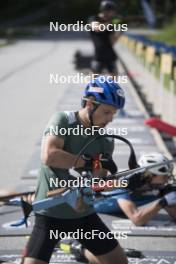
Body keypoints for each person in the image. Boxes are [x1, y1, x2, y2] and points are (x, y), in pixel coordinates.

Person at [22, 76, 128, 264]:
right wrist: (89, 161)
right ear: (89, 103)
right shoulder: (63, 120)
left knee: (119, 262)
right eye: (106, 112)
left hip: (84, 216)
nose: (110, 119)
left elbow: (97, 184)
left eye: (114, 114)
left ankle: (79, 250)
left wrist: (128, 184)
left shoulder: (105, 141)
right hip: (50, 215)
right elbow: (50, 155)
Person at [95, 153, 176, 225]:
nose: (167, 179)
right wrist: (162, 202)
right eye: (165, 176)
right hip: (87, 209)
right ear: (150, 176)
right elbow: (138, 220)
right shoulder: (124, 186)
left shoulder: (156, 186)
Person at [88, 1, 123, 75]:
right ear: (105, 10)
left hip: (110, 55)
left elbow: (112, 42)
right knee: (94, 82)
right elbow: (96, 28)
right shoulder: (94, 18)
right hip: (98, 56)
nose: (113, 14)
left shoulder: (111, 23)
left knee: (113, 83)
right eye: (112, 11)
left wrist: (119, 32)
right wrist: (110, 24)